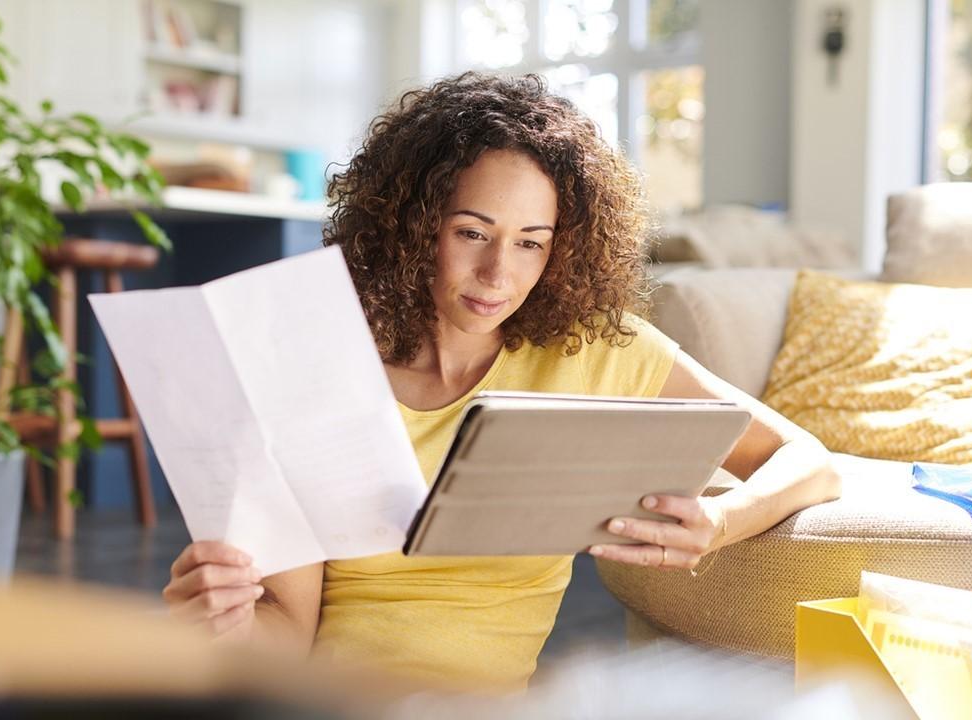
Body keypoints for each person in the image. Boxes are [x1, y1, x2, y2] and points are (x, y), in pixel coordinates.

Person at [162, 72, 841, 691]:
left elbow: (808, 461)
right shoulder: (319, 363)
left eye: (530, 242)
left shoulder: (597, 349)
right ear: (412, 224)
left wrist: (720, 522)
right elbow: (289, 636)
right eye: (472, 233)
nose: (498, 275)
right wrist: (227, 620)